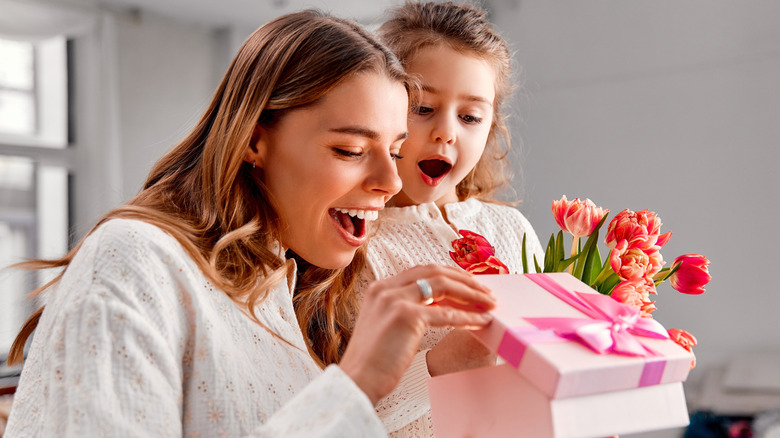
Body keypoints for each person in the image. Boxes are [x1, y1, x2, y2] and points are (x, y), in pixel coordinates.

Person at [3, 10, 497, 437]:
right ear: (254, 141)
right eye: (350, 150)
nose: (391, 181)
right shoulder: (136, 259)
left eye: (394, 151)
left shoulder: (284, 293)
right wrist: (356, 385)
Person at [304, 2, 547, 436]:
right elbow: (334, 414)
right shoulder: (348, 243)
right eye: (422, 108)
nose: (447, 132)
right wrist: (438, 367)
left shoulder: (514, 231)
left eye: (470, 116)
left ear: (491, 127)